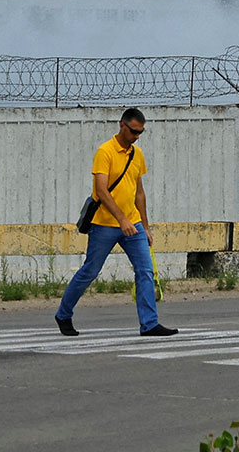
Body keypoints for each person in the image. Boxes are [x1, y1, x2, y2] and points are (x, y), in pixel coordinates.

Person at [55, 107, 177, 337]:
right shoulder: (105, 152)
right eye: (134, 131)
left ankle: (149, 324)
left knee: (145, 271)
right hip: (104, 225)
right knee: (90, 271)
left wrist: (146, 226)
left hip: (134, 224)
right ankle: (63, 314)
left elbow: (139, 192)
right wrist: (120, 220)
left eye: (141, 132)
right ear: (122, 126)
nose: (137, 136)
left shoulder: (137, 154)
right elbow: (101, 189)